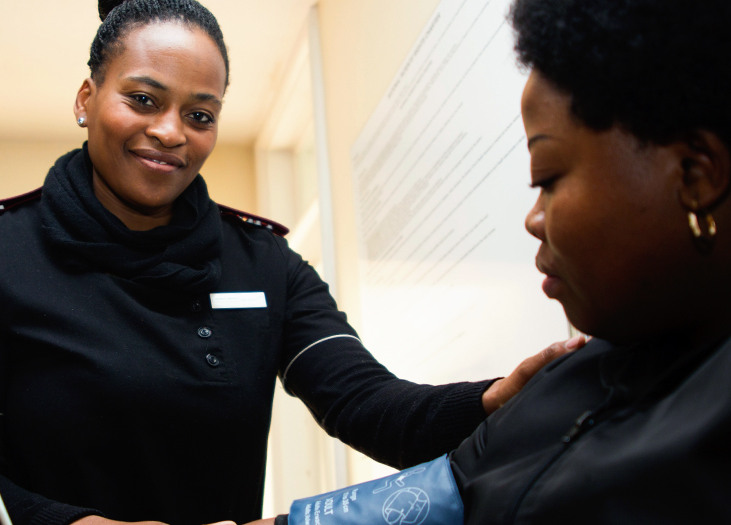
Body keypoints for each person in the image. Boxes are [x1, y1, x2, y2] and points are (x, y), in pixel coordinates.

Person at [0, 1, 581, 524]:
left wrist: (492, 401)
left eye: (200, 115)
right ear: (87, 98)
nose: (171, 131)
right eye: (144, 100)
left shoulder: (263, 263)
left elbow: (367, 404)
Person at [257, 0, 731, 523]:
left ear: (695, 176)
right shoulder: (573, 377)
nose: (533, 218)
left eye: (546, 179)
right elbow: (441, 494)